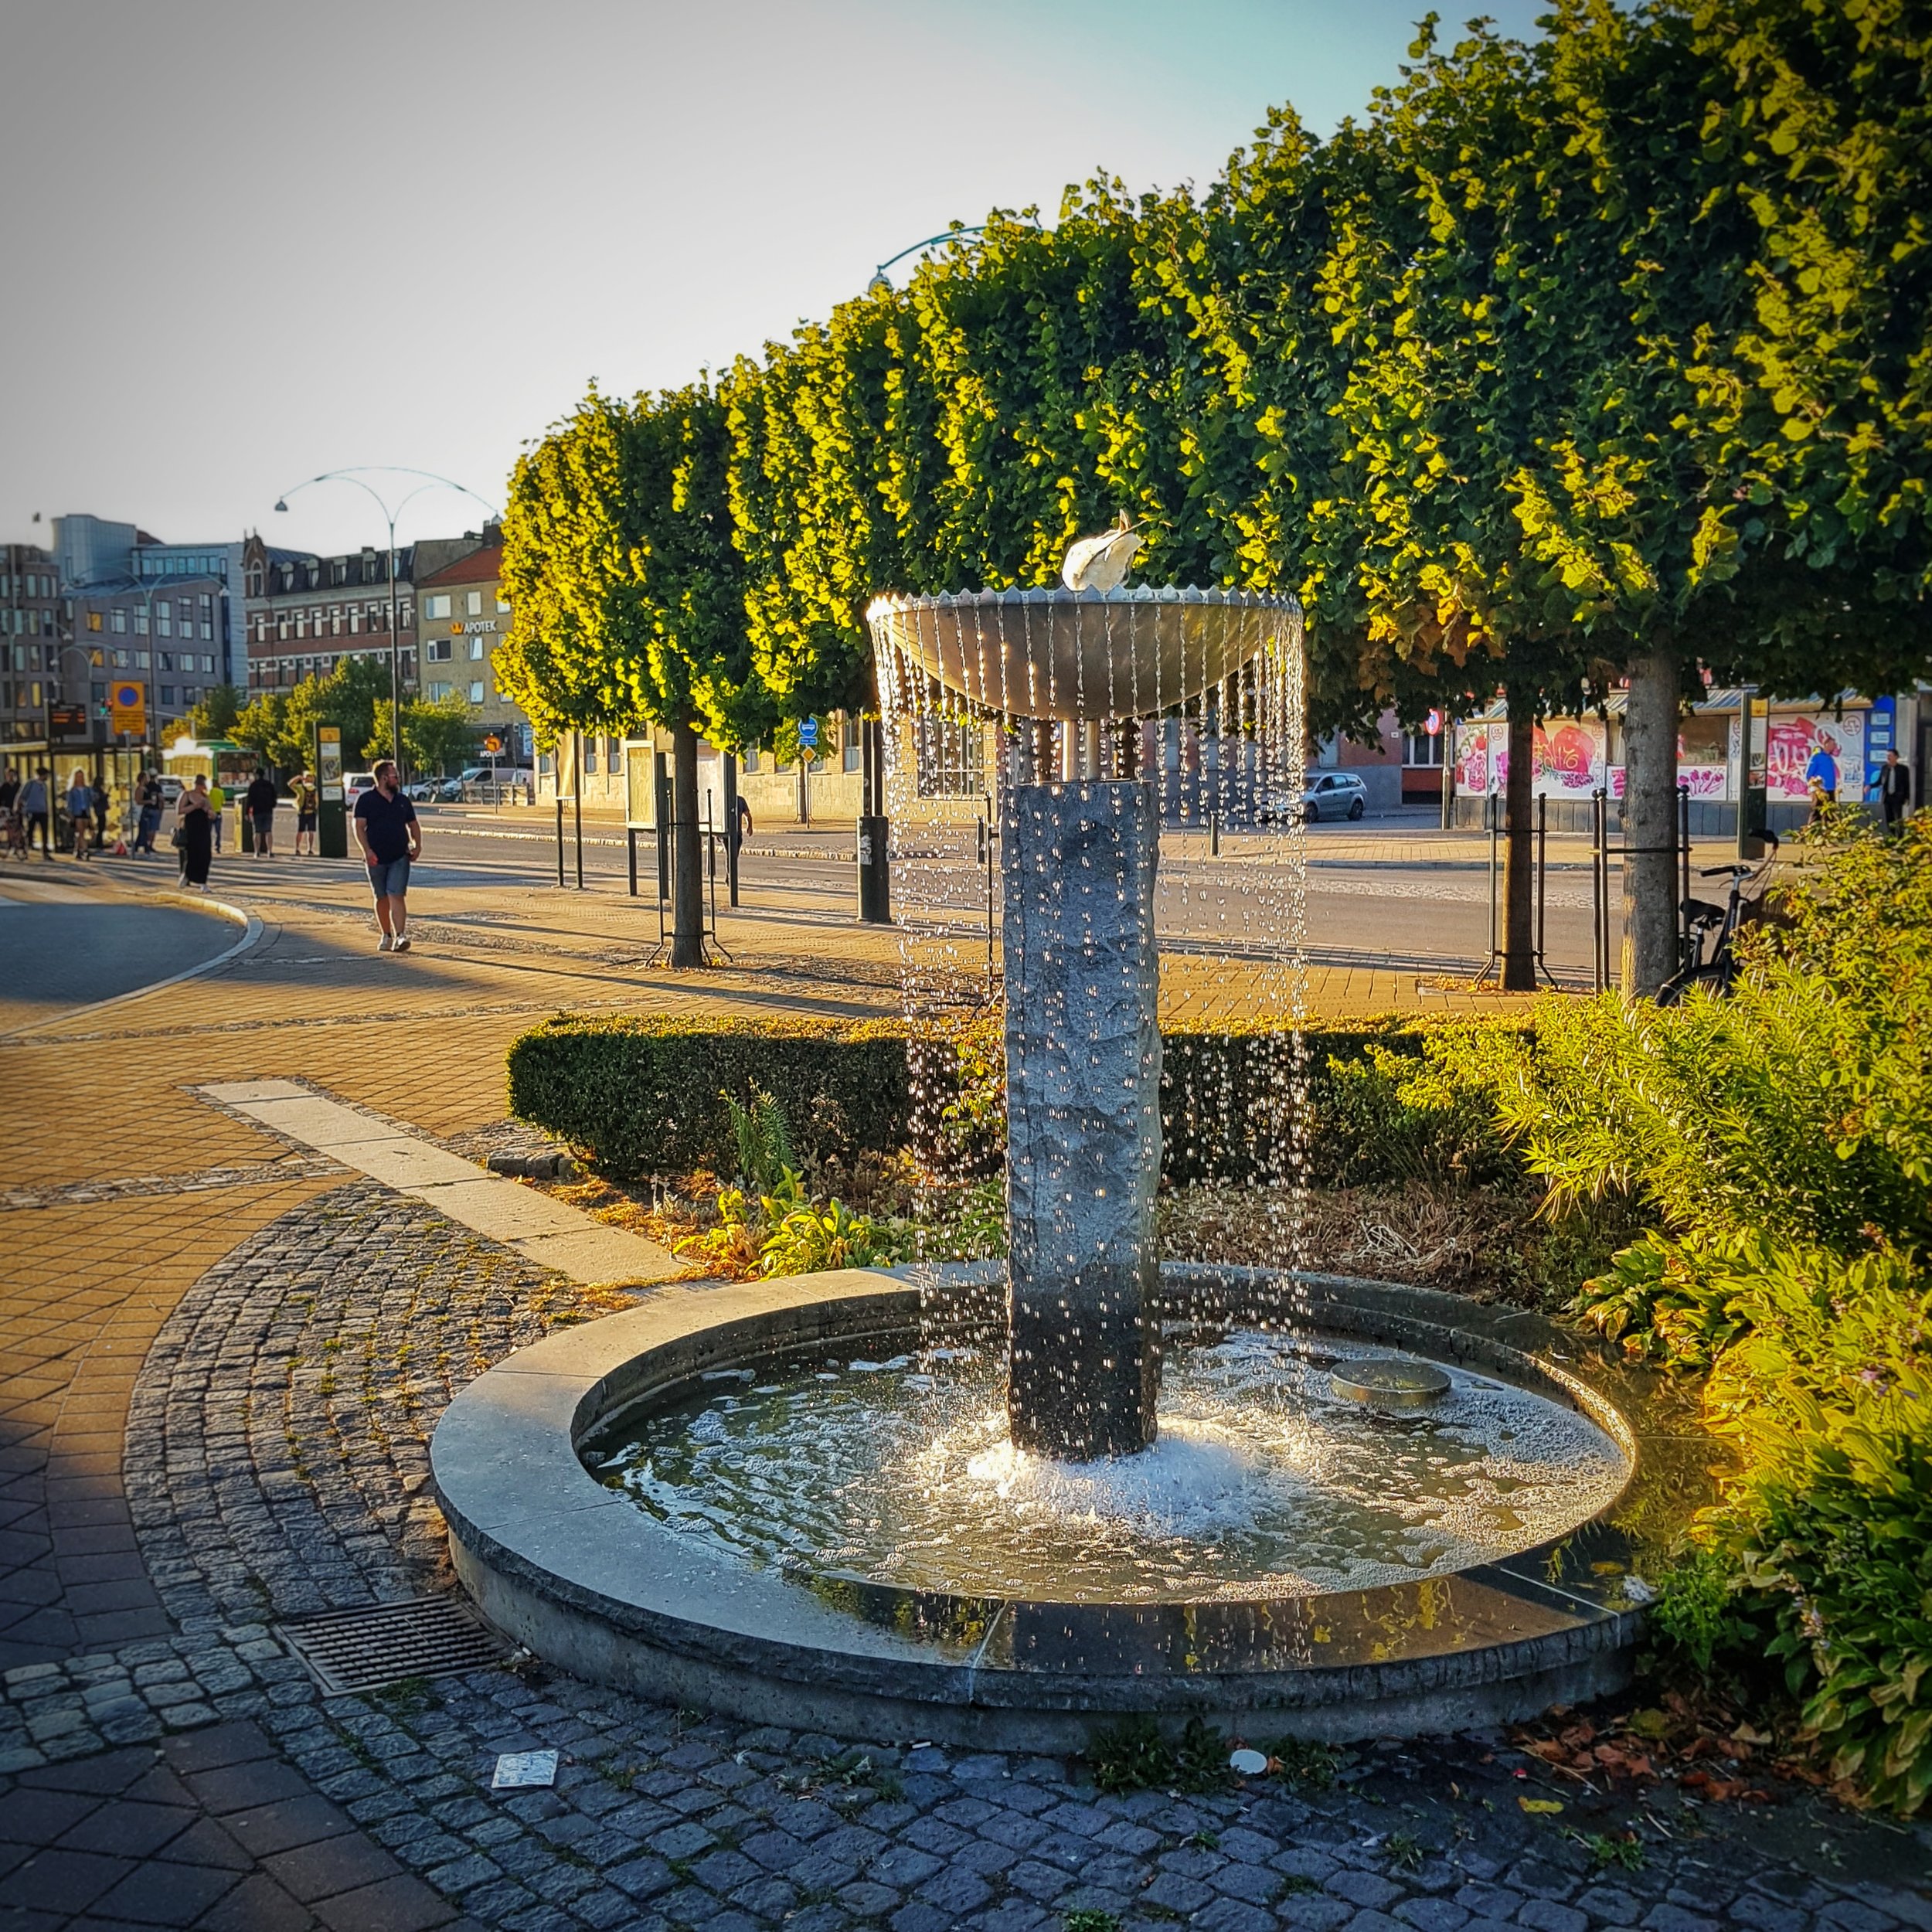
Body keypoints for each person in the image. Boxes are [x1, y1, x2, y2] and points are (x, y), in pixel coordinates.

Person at [352, 758, 421, 952]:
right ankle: (386, 934)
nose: (397, 779)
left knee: (396, 894)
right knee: (381, 896)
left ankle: (400, 936)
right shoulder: (366, 800)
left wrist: (417, 844)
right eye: (394, 775)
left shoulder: (402, 800)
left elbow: (413, 824)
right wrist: (367, 850)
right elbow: (358, 827)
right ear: (383, 778)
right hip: (376, 857)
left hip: (400, 855)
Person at [176, 774, 213, 889]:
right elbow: (180, 810)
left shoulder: (205, 797)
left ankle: (202, 880)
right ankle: (187, 876)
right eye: (199, 784)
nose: (200, 787)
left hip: (204, 828)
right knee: (192, 853)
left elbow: (212, 812)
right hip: (191, 827)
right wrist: (195, 806)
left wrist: (210, 812)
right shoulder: (187, 795)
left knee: (205, 853)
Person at [1871, 747, 1912, 835]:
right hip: (1887, 798)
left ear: (1896, 757)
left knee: (1898, 818)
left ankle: (1900, 837)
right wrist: (1870, 786)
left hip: (1898, 797)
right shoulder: (1885, 768)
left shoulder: (1903, 769)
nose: (1888, 757)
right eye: (1887, 756)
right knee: (1889, 819)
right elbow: (1879, 782)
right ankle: (1892, 836)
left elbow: (1907, 784)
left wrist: (1907, 797)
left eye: (1890, 755)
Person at [245, 766, 279, 858]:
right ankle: (270, 851)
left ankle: (257, 852)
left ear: (256, 775)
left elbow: (250, 800)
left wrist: (247, 812)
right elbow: (275, 797)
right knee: (268, 831)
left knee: (257, 832)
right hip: (268, 811)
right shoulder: (269, 785)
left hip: (257, 811)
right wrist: (272, 805)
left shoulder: (253, 786)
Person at [20, 767, 51, 859]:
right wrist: (21, 808)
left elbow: (45, 798)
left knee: (45, 832)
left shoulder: (44, 786)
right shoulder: (30, 784)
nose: (47, 777)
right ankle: (26, 850)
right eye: (46, 775)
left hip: (42, 811)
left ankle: (45, 851)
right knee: (30, 831)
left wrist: (47, 809)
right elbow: (22, 796)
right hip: (32, 811)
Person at [1804, 740, 1839, 821]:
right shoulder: (1817, 757)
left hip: (1830, 788)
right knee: (1817, 811)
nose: (1834, 746)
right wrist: (1814, 785)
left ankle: (1830, 831)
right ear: (1826, 744)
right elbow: (1809, 774)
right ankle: (1812, 830)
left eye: (1835, 744)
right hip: (1819, 789)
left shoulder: (1830, 758)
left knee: (1830, 812)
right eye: (1833, 744)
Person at [65, 769, 94, 860]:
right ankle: (85, 850)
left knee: (84, 832)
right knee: (81, 832)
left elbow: (92, 800)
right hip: (77, 812)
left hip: (86, 812)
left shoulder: (87, 789)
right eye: (78, 777)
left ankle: (77, 850)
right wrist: (70, 814)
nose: (80, 778)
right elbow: (69, 804)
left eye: (81, 776)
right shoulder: (72, 791)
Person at [134, 770, 163, 856]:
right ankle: (146, 846)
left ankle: (141, 846)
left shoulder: (146, 787)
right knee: (149, 829)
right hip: (146, 810)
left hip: (146, 810)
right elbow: (138, 801)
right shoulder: (142, 788)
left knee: (144, 829)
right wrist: (151, 802)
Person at [292, 770, 318, 855]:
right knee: (311, 832)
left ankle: (297, 848)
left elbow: (290, 785)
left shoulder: (301, 788)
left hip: (302, 813)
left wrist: (298, 778)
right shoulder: (315, 789)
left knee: (300, 831)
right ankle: (310, 849)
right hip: (312, 812)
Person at [90, 774, 110, 853]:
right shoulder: (96, 790)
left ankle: (100, 842)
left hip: (100, 809)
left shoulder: (98, 789)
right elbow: (96, 799)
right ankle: (99, 843)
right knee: (101, 826)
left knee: (102, 826)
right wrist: (105, 796)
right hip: (99, 810)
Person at [207, 777, 226, 852]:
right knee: (218, 831)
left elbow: (207, 801)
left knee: (208, 831)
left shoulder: (209, 792)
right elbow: (223, 802)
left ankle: (208, 846)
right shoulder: (221, 792)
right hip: (218, 813)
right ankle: (217, 847)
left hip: (210, 813)